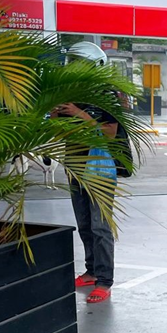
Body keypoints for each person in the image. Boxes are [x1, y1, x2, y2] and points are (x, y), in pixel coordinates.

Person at [54, 42, 119, 305]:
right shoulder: (71, 94)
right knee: (84, 223)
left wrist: (78, 114)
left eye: (79, 62)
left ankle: (104, 280)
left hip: (99, 169)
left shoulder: (107, 95)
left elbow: (110, 133)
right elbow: (59, 132)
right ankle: (91, 271)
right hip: (74, 166)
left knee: (100, 226)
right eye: (72, 62)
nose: (74, 67)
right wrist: (55, 115)